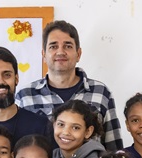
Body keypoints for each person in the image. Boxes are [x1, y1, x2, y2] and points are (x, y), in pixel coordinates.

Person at [15, 20, 122, 150]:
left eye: (68, 46)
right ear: (43, 55)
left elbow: (114, 150)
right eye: (53, 46)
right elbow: (16, 148)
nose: (60, 52)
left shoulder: (101, 93)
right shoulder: (25, 97)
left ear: (78, 54)